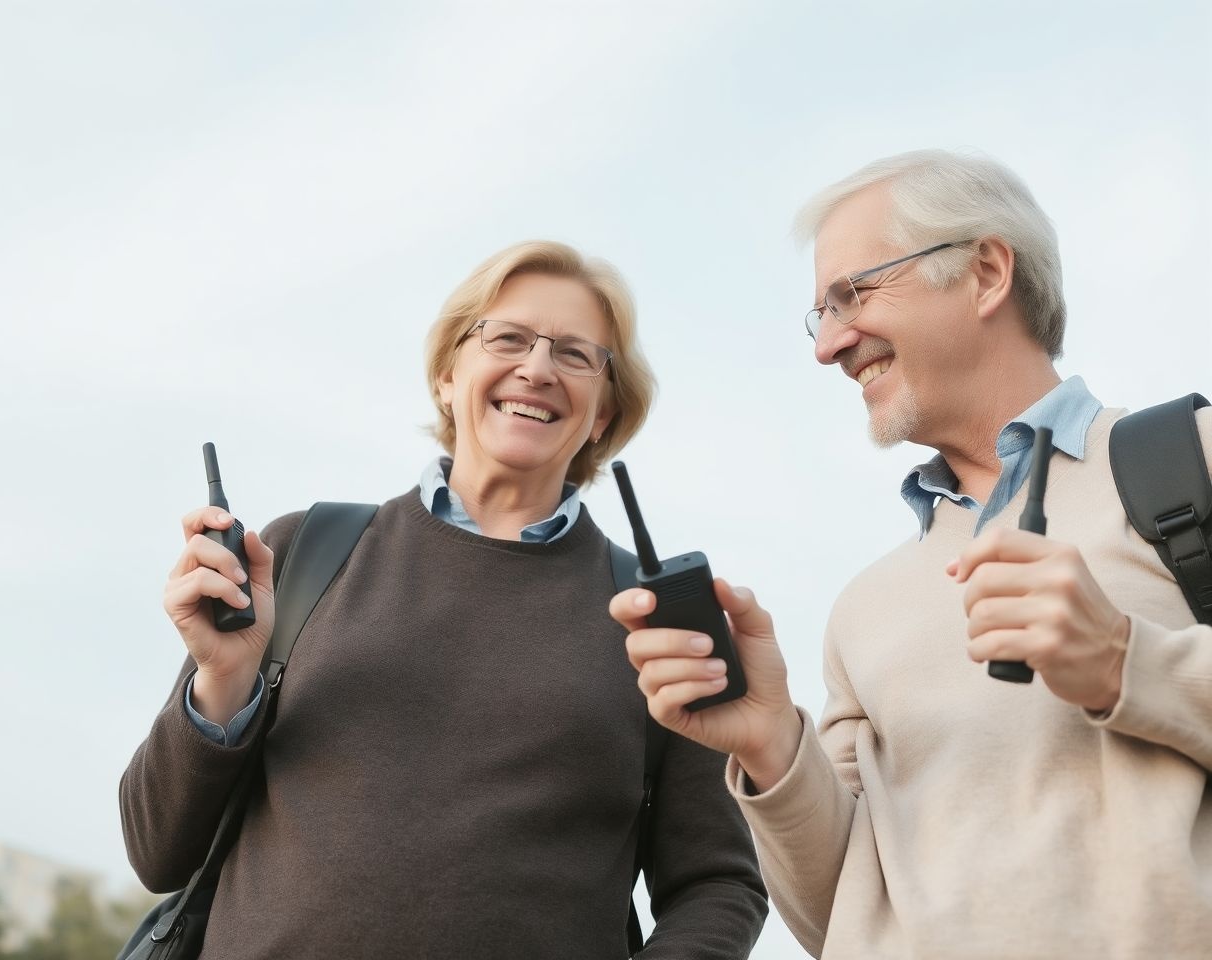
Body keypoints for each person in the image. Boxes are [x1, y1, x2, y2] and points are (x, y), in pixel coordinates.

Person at [611, 151, 1212, 958]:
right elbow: (837, 916)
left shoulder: (1194, 459)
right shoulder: (863, 610)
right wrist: (771, 746)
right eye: (819, 315)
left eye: (852, 295)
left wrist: (1123, 662)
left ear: (986, 273)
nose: (828, 346)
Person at [120, 240, 767, 959]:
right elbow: (156, 853)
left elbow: (720, 884)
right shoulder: (303, 552)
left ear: (604, 415)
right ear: (447, 376)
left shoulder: (658, 623)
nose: (538, 369)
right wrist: (222, 679)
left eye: (575, 354)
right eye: (509, 338)